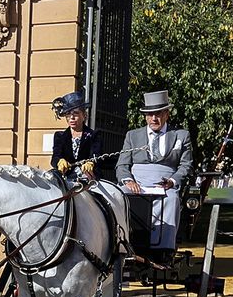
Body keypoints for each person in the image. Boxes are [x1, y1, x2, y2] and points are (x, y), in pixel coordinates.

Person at [115, 90, 194, 253]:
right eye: (150, 114)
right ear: (145, 116)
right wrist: (128, 181)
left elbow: (186, 165)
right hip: (136, 183)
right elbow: (122, 165)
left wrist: (172, 181)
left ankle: (163, 249)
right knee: (119, 196)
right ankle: (122, 246)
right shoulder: (132, 135)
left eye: (158, 114)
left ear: (166, 114)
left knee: (171, 199)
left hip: (165, 184)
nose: (154, 118)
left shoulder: (181, 135)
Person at [49, 91, 104, 180]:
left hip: (89, 178)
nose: (72, 118)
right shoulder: (59, 136)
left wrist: (91, 163)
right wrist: (59, 161)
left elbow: (97, 154)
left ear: (84, 115)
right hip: (65, 179)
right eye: (68, 114)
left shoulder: (94, 135)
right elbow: (55, 157)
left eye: (76, 113)